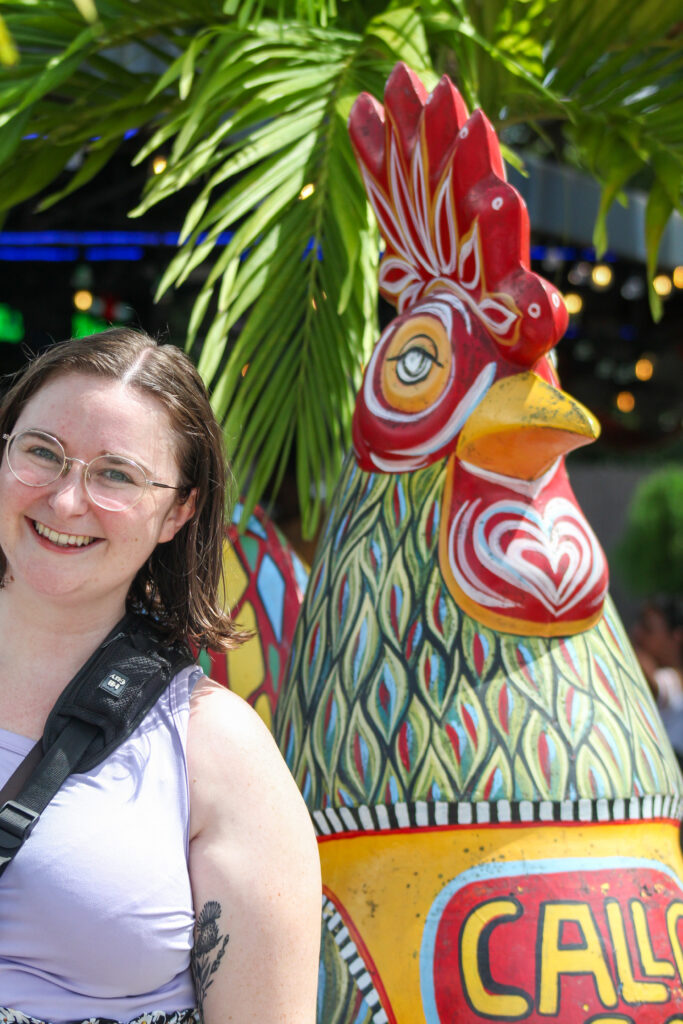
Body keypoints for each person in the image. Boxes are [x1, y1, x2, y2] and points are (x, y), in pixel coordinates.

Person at [0, 329, 321, 1024]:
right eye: (42, 453)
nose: (64, 501)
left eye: (115, 473)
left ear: (178, 510)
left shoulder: (217, 751)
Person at [632, 596, 683, 767]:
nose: (637, 633)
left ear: (677, 637)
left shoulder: (676, 682)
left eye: (647, 628)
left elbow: (656, 686)